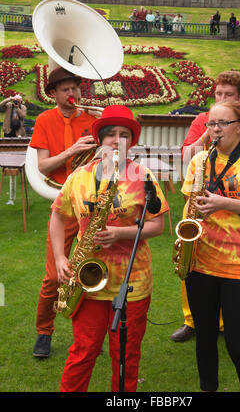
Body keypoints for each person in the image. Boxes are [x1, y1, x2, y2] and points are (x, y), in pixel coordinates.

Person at [49, 105, 169, 392]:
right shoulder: (79, 176)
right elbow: (57, 214)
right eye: (111, 134)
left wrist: (120, 233)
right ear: (100, 140)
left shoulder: (144, 176)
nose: (117, 140)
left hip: (132, 283)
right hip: (87, 281)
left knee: (126, 355)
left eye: (124, 135)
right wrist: (60, 256)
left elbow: (157, 225)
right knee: (83, 351)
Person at [183, 100, 240, 392]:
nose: (215, 130)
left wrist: (224, 203)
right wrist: (187, 225)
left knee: (238, 346)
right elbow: (189, 200)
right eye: (211, 123)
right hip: (201, 261)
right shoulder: (199, 160)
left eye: (223, 123)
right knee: (205, 339)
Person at [171, 70, 240, 342]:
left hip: (237, 205)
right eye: (218, 94)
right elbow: (186, 154)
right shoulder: (204, 120)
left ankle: (229, 323)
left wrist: (237, 131)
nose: (222, 97)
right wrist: (208, 134)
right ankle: (192, 321)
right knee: (191, 260)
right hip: (201, 201)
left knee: (231, 280)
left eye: (228, 95)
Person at [30, 66, 98, 358]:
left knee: (91, 271)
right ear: (54, 94)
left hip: (90, 201)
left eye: (75, 88)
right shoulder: (45, 120)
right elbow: (43, 166)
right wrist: (72, 151)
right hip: (63, 201)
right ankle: (44, 332)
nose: (72, 94)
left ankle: (89, 334)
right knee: (52, 276)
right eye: (65, 90)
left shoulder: (93, 119)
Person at [0, 94, 27, 205]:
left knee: (17, 163)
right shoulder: (9, 105)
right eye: (16, 100)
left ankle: (21, 170)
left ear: (21, 101)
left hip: (18, 135)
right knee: (8, 162)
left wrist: (17, 107)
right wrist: (10, 99)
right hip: (8, 132)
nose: (16, 102)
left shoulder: (22, 107)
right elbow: (1, 105)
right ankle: (11, 197)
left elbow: (23, 116)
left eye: (18, 100)